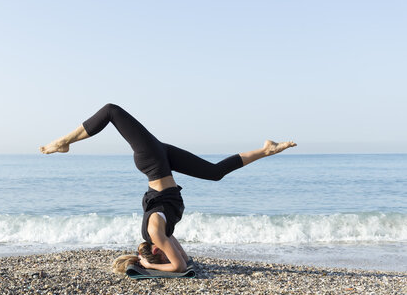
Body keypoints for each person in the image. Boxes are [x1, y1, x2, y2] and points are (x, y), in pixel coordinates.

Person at [40, 103, 296, 273]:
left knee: (111, 111)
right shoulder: (162, 235)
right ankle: (266, 149)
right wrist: (148, 263)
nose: (170, 252)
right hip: (160, 161)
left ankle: (63, 142)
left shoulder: (156, 233)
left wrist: (145, 264)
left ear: (155, 251)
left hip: (154, 163)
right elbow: (181, 263)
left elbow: (177, 266)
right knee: (215, 173)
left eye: (162, 254)